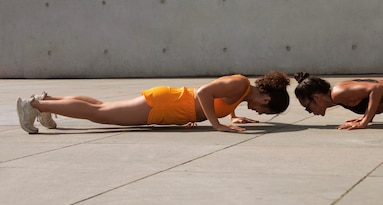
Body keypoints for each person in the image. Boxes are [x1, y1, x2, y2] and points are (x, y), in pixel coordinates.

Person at [16, 72, 290, 134]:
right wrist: (217, 124)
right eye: (264, 110)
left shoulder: (242, 92)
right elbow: (205, 92)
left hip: (169, 104)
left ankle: (45, 101)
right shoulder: (241, 84)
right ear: (266, 98)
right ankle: (35, 106)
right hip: (168, 105)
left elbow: (218, 100)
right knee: (100, 114)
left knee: (101, 106)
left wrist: (231, 117)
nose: (258, 112)